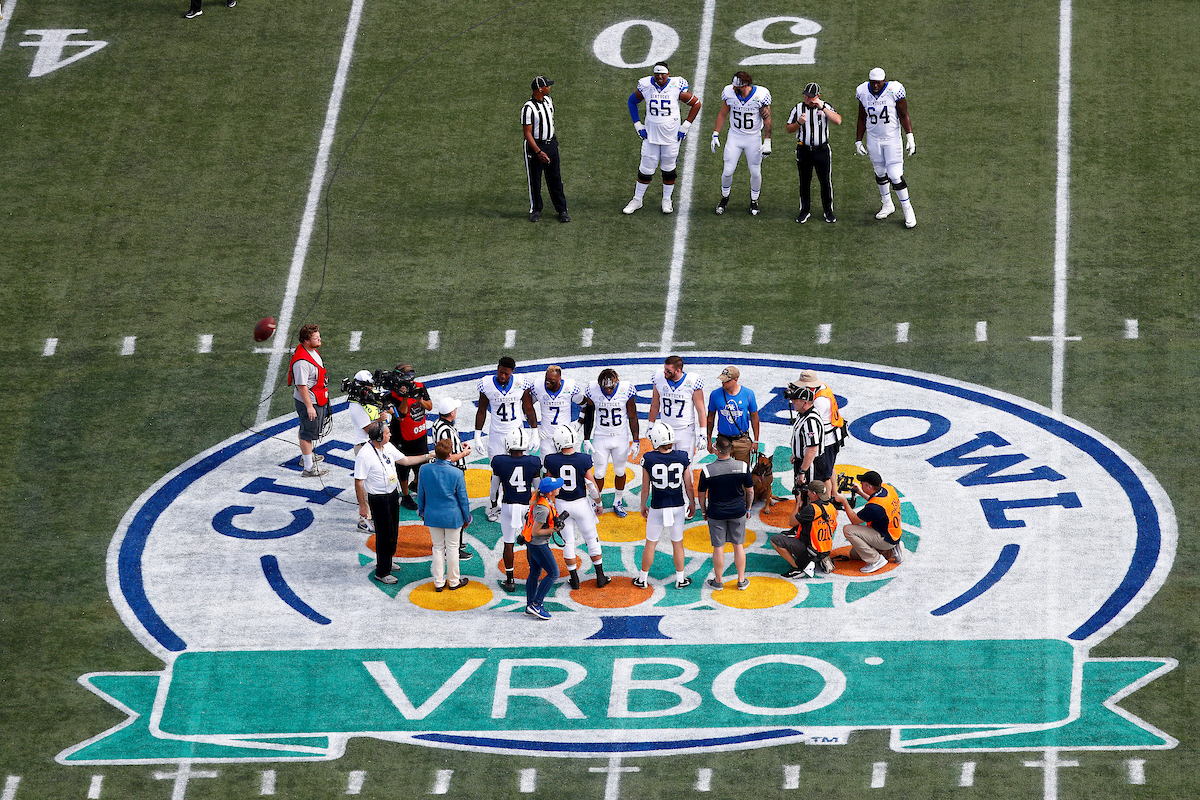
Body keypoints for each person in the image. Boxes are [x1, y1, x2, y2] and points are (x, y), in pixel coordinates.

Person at [353, 419, 432, 585]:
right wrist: (362, 505)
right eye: (388, 432)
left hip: (391, 495)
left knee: (393, 531)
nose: (391, 434)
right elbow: (358, 482)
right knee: (384, 534)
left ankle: (387, 560)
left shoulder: (387, 446)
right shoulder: (364, 455)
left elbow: (405, 461)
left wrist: (426, 456)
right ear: (379, 437)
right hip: (378, 499)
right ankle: (382, 571)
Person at [622, 62, 702, 215]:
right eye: (657, 74)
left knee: (668, 167)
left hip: (671, 135)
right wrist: (638, 125)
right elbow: (632, 101)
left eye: (662, 74)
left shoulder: (676, 86)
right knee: (646, 167)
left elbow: (696, 104)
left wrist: (685, 126)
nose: (659, 77)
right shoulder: (645, 85)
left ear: (668, 74)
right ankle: (637, 199)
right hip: (651, 135)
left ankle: (667, 199)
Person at [543, 425, 609, 589]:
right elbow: (592, 486)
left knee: (569, 542)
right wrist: (599, 503)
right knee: (591, 539)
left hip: (561, 505)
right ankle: (600, 576)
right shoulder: (583, 459)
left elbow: (546, 485)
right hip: (581, 504)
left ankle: (575, 579)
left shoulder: (551, 459)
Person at [633, 423, 696, 590]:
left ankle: (642, 578)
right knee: (678, 544)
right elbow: (689, 486)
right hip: (677, 506)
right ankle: (680, 579)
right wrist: (693, 502)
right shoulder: (682, 457)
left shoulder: (649, 458)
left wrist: (642, 505)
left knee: (651, 543)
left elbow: (645, 488)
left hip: (657, 507)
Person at [475, 357, 536, 521]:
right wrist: (477, 435)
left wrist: (534, 431)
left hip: (517, 432)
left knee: (522, 469)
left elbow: (528, 408)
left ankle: (525, 505)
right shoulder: (486, 384)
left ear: (512, 372)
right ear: (497, 368)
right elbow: (481, 410)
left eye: (506, 374)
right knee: (496, 473)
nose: (503, 376)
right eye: (501, 372)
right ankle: (494, 506)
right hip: (497, 433)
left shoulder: (521, 383)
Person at [855, 67, 917, 229]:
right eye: (873, 82)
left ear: (884, 81)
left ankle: (907, 209)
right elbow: (862, 118)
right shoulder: (862, 91)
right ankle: (887, 204)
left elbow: (904, 115)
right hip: (874, 139)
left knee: (895, 175)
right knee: (880, 173)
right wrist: (858, 140)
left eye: (879, 83)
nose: (876, 85)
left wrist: (909, 136)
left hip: (892, 139)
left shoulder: (894, 90)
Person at [710, 71, 772, 216]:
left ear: (745, 86)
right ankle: (724, 198)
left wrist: (767, 140)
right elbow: (723, 113)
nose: (733, 89)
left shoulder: (760, 95)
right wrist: (715, 133)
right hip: (735, 137)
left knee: (755, 171)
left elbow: (767, 120)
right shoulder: (729, 93)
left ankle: (754, 201)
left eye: (736, 87)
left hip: (753, 138)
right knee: (727, 171)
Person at [697, 435, 754, 590]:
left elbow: (701, 494)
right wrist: (748, 508)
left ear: (717, 450)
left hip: (716, 513)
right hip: (737, 511)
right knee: (738, 546)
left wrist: (703, 511)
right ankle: (741, 580)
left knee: (718, 548)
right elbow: (750, 491)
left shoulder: (707, 470)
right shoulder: (742, 466)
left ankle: (719, 581)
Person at [582, 368, 640, 517]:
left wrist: (636, 439)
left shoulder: (626, 389)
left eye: (611, 387)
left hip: (620, 436)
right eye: (605, 387)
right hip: (601, 435)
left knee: (620, 471)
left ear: (616, 383)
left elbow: (632, 415)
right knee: (599, 473)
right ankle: (597, 502)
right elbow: (589, 414)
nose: (608, 390)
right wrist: (586, 438)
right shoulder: (592, 389)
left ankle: (618, 501)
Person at [417, 439, 472, 591]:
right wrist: (467, 518)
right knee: (453, 549)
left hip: (432, 515)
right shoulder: (456, 473)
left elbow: (421, 493)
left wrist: (421, 512)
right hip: (452, 517)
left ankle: (439, 582)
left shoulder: (424, 469)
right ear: (449, 454)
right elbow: (463, 499)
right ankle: (454, 581)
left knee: (438, 548)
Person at [491, 429, 542, 592]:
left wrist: (493, 504)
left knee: (508, 543)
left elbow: (494, 489)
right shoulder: (533, 462)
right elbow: (538, 488)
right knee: (530, 543)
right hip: (526, 506)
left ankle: (510, 579)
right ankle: (533, 577)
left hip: (507, 506)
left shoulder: (499, 461)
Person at [786, 82, 842, 224]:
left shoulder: (825, 107)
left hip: (822, 150)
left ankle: (828, 211)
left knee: (825, 182)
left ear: (818, 96)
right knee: (804, 182)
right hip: (804, 150)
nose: (807, 98)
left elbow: (838, 120)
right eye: (806, 95)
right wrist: (799, 123)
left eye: (810, 96)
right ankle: (805, 210)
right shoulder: (798, 108)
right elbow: (788, 129)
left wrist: (823, 107)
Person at [834, 470, 904, 574]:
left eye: (863, 483)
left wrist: (844, 501)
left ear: (869, 487)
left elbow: (855, 520)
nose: (861, 483)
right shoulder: (888, 488)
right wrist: (860, 492)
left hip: (885, 537)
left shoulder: (875, 507)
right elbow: (877, 503)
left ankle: (875, 560)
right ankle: (893, 550)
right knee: (855, 554)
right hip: (893, 533)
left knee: (848, 530)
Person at [430, 397, 474, 562]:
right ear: (451, 412)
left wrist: (458, 445)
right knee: (457, 507)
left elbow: (445, 450)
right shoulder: (446, 430)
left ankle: (456, 543)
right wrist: (463, 454)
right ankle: (454, 546)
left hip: (447, 472)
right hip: (453, 473)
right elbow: (448, 457)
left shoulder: (439, 425)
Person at [792, 369, 848, 499]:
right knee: (829, 468)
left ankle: (826, 502)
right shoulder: (821, 388)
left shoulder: (819, 401)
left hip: (827, 440)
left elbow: (814, 430)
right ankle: (834, 494)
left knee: (823, 475)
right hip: (832, 435)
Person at [347, 369, 390, 533]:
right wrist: (380, 419)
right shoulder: (356, 405)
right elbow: (368, 429)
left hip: (376, 444)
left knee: (378, 481)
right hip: (364, 446)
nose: (372, 389)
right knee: (365, 485)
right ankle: (364, 521)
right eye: (369, 386)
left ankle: (376, 514)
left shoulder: (369, 398)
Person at [522, 76, 570, 223]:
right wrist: (538, 151)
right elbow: (527, 133)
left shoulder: (548, 101)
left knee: (555, 178)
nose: (550, 88)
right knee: (535, 179)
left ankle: (562, 210)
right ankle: (536, 209)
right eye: (547, 86)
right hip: (535, 146)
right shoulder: (528, 108)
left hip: (551, 144)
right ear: (540, 89)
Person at [386, 363, 432, 511]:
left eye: (411, 379)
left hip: (419, 432)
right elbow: (401, 415)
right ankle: (405, 496)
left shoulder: (419, 386)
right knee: (403, 467)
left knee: (422, 464)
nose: (411, 383)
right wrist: (405, 397)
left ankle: (416, 484)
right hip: (401, 437)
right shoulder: (393, 394)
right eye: (407, 380)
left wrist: (419, 400)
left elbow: (429, 406)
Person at [647, 354, 707, 467]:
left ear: (678, 370)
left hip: (686, 431)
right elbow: (655, 405)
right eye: (665, 369)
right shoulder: (659, 378)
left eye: (668, 370)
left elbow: (701, 410)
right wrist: (650, 426)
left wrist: (703, 434)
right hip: (665, 430)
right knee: (664, 465)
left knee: (685, 467)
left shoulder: (692, 381)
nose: (665, 372)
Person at [770, 480, 838, 579]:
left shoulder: (812, 509)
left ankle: (798, 568)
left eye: (809, 491)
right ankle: (821, 559)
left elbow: (791, 522)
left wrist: (798, 504)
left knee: (775, 539)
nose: (807, 492)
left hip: (811, 551)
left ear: (814, 494)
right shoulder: (831, 507)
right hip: (825, 548)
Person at [287, 323, 330, 477]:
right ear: (306, 340)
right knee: (307, 434)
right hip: (310, 400)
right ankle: (309, 468)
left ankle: (307, 457)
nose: (319, 340)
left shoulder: (310, 351)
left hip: (315, 397)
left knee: (305, 429)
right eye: (316, 338)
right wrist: (309, 406)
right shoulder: (302, 362)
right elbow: (302, 386)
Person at [523, 476, 566, 620]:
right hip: (538, 544)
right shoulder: (542, 508)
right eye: (557, 487)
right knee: (554, 573)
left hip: (533, 543)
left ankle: (530, 605)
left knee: (535, 573)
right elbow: (536, 531)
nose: (560, 488)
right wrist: (554, 529)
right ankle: (536, 604)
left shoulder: (542, 500)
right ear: (551, 492)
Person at [706, 366, 760, 469]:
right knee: (723, 472)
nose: (723, 383)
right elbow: (710, 419)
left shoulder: (748, 394)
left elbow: (754, 417)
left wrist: (756, 440)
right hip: (723, 440)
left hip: (742, 440)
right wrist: (709, 440)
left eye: (726, 381)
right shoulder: (715, 394)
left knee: (743, 472)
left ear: (736, 379)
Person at [530, 365, 585, 459]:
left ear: (559, 379)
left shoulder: (569, 388)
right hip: (547, 436)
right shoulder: (538, 387)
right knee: (546, 468)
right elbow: (527, 406)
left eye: (551, 379)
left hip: (566, 436)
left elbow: (586, 404)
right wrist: (535, 427)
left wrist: (579, 422)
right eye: (546, 378)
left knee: (567, 465)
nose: (547, 382)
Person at [785, 385, 826, 498]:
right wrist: (796, 452)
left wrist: (803, 471)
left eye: (795, 399)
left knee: (809, 493)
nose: (792, 401)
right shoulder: (803, 414)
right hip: (804, 461)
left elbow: (812, 449)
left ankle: (809, 514)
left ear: (805, 402)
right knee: (801, 492)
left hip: (810, 464)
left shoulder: (810, 421)